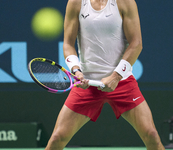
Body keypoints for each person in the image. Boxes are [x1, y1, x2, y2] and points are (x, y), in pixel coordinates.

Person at [45, 0, 165, 149]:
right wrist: (76, 70)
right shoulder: (76, 2)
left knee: (151, 135)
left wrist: (116, 76)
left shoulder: (125, 2)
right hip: (86, 85)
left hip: (122, 83)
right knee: (57, 138)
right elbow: (68, 44)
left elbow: (136, 43)